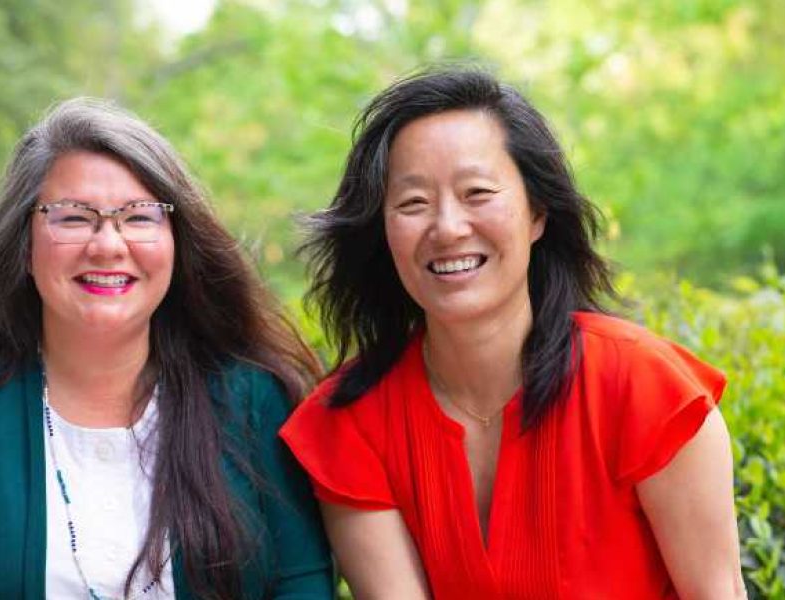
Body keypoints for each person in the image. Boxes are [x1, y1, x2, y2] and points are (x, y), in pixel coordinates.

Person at [279, 67, 746, 599]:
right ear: (382, 230)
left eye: (477, 192)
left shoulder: (644, 389)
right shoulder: (350, 423)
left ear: (537, 213)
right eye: (413, 203)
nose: (448, 227)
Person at [0, 98, 333, 600]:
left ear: (176, 242)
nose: (108, 244)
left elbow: (302, 585)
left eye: (139, 217)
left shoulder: (253, 400)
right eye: (73, 217)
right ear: (24, 245)